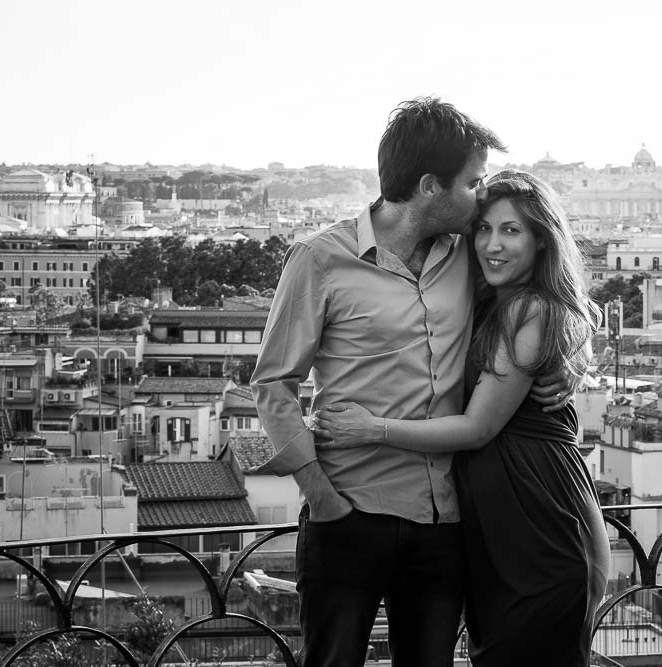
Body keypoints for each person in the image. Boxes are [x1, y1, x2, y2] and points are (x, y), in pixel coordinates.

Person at [249, 99, 574, 667]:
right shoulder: (321, 259)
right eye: (472, 184)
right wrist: (322, 500)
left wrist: (561, 359)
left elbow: (531, 295)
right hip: (349, 510)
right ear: (430, 186)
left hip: (443, 519)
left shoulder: (466, 255)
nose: (480, 198)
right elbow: (273, 387)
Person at [314, 170, 610, 667]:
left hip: (539, 524)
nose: (492, 244)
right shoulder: (490, 299)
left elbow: (478, 428)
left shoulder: (526, 310)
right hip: (503, 528)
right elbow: (578, 316)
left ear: (542, 241)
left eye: (511, 231)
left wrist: (373, 429)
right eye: (484, 228)